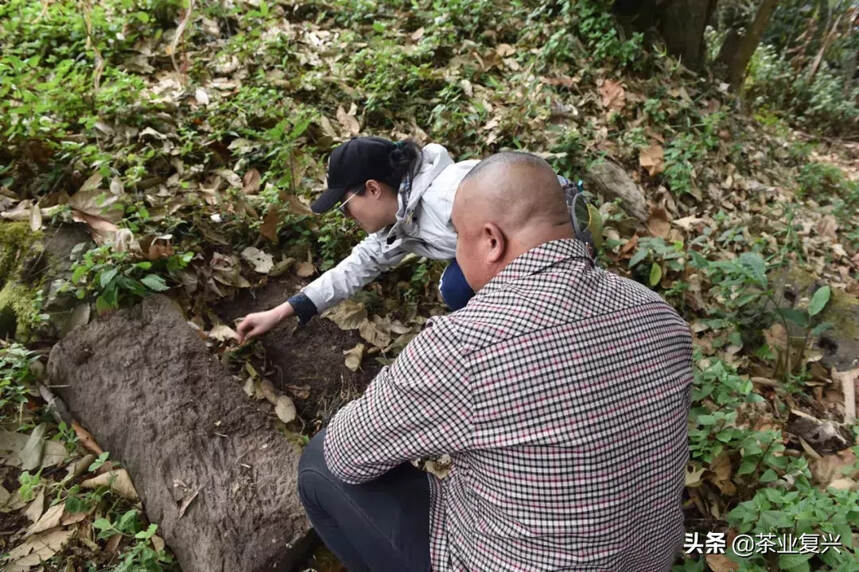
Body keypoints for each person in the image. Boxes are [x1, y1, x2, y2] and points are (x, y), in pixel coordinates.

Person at [297, 151, 693, 571]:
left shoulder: (464, 346)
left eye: (460, 241)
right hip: (649, 559)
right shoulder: (661, 314)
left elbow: (348, 453)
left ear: (490, 241)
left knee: (321, 464)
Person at [236, 136, 478, 343]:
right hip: (495, 257)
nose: (346, 217)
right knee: (457, 286)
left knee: (456, 286)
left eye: (344, 207)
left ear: (373, 189)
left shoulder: (450, 198)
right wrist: (279, 313)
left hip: (513, 254)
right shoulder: (398, 221)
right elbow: (357, 266)